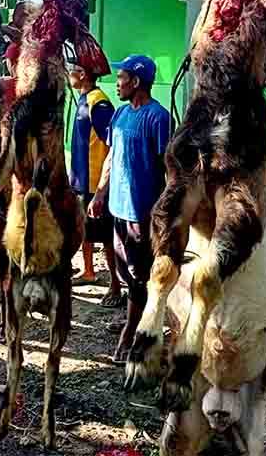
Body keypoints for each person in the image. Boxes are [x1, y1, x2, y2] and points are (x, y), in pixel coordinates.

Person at [89, 55, 170, 363]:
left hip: (142, 212)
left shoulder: (158, 117)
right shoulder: (120, 114)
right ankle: (134, 320)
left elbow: (167, 167)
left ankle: (133, 333)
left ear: (136, 82)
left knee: (140, 276)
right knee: (125, 272)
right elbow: (111, 157)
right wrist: (99, 194)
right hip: (116, 208)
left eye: (121, 78)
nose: (117, 83)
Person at [67, 60, 121, 307]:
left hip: (95, 181)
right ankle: (88, 270)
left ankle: (115, 284)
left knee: (105, 235)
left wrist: (104, 185)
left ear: (83, 75)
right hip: (80, 179)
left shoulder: (98, 102)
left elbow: (111, 142)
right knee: (83, 229)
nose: (69, 75)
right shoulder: (82, 97)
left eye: (72, 71)